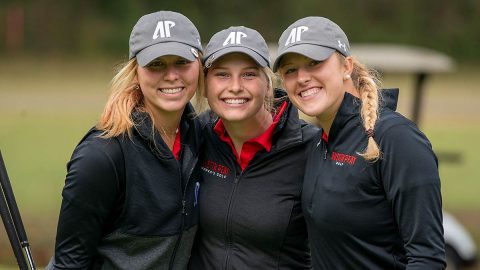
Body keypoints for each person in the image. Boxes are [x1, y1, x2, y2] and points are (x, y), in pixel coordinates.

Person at [273, 16, 446, 269]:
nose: (302, 77)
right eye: (290, 70)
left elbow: (427, 259)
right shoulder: (316, 143)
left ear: (346, 67)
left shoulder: (397, 138)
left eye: (314, 63)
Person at [48, 11, 204, 270]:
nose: (171, 75)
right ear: (136, 71)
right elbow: (69, 265)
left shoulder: (200, 137)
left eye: (181, 62)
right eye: (156, 64)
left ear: (199, 65)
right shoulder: (101, 156)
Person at [188, 26, 316, 270]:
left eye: (248, 74)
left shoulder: (310, 148)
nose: (235, 86)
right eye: (222, 74)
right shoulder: (196, 135)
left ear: (267, 84)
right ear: (205, 85)